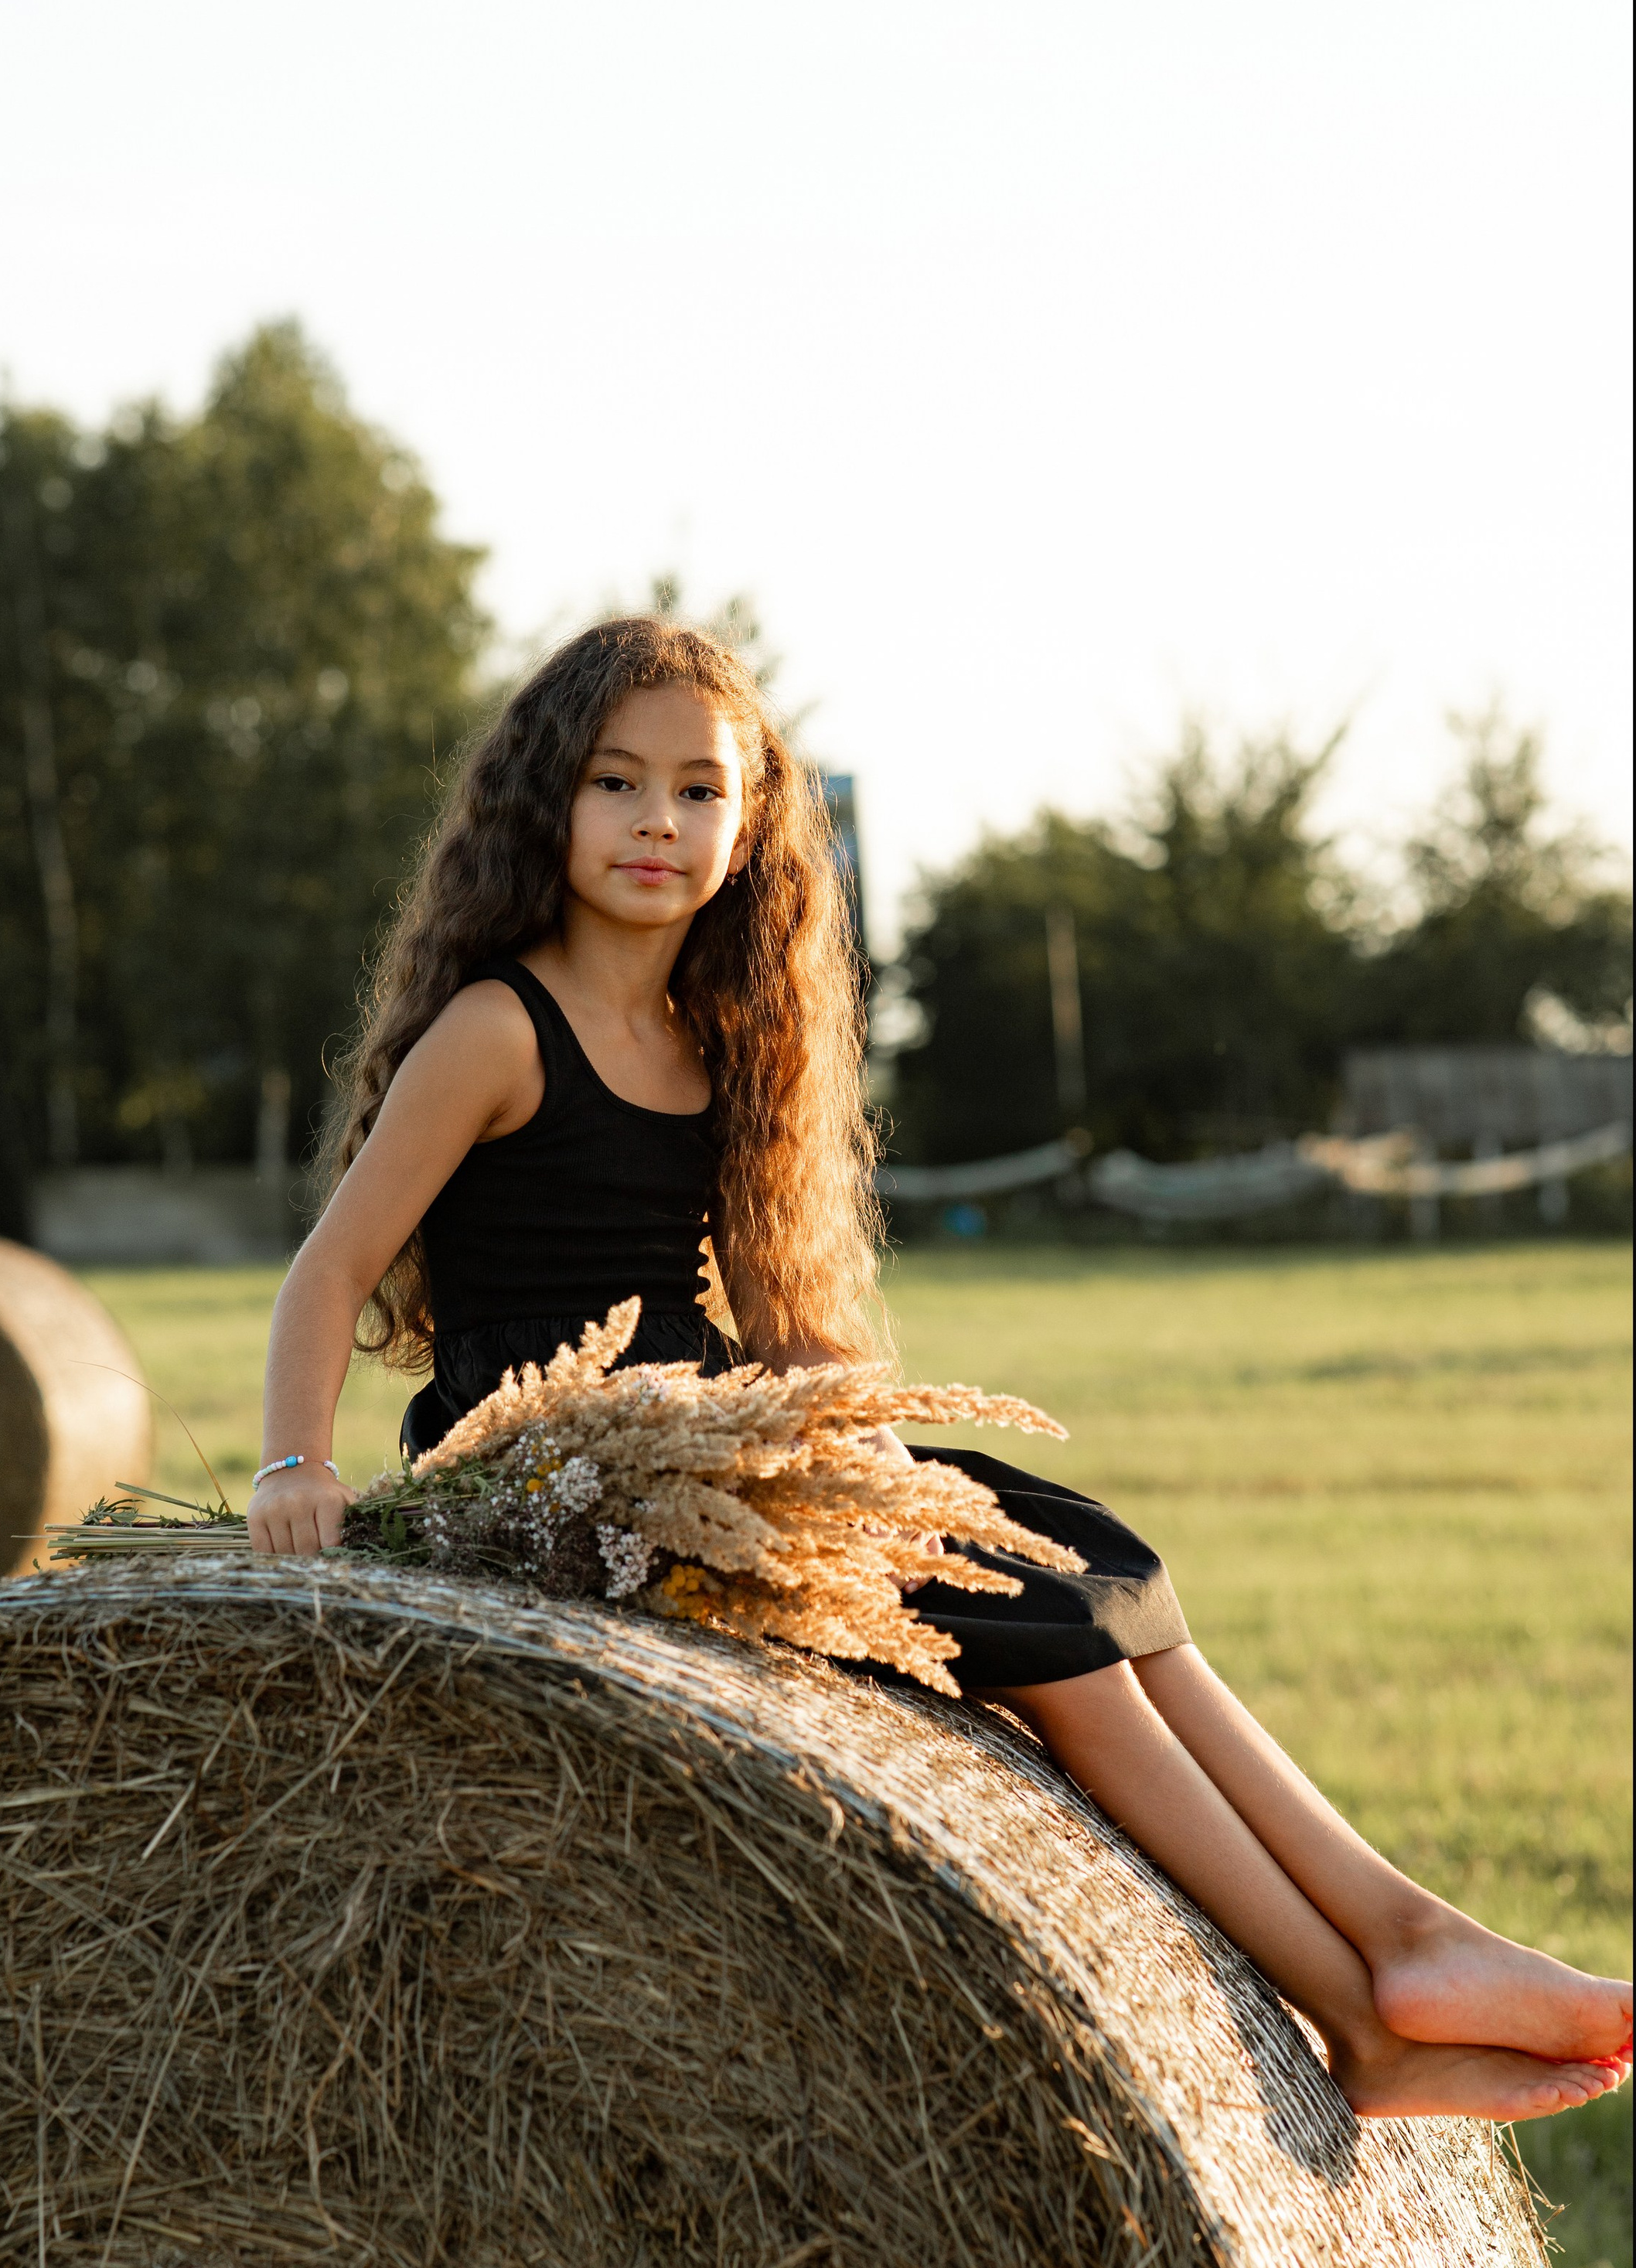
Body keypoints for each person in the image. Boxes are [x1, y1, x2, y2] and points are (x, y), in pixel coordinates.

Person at [251, 616, 1631, 2125]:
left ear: (753, 819)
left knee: (1078, 1554)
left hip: (712, 1454)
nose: (657, 822)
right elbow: (327, 1269)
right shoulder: (495, 1027)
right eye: (614, 783)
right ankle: (1350, 2001)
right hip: (548, 1479)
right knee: (1050, 1639)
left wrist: (875, 1465)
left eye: (698, 791)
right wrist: (294, 1466)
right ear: (542, 802)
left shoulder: (718, 1043)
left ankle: (1401, 1934)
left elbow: (780, 1336)